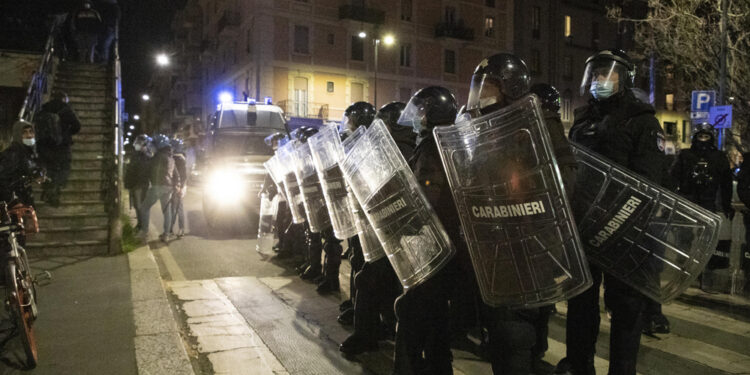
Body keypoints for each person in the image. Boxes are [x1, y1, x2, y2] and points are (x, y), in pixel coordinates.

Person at [558, 49, 667, 375]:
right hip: (586, 228)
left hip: (625, 230)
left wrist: (625, 219)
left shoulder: (642, 122)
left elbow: (649, 181)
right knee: (580, 306)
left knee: (625, 308)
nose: (599, 81)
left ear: (624, 79)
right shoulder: (583, 120)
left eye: (608, 75)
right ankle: (580, 366)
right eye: (595, 75)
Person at [392, 86, 460, 375]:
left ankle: (410, 369)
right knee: (434, 314)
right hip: (437, 242)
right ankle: (437, 366)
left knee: (414, 310)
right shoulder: (431, 142)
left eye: (422, 109)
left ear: (434, 113)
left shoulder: (432, 147)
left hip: (431, 242)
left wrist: (405, 219)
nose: (416, 115)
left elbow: (427, 194)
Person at [339, 102, 409, 355]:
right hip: (386, 229)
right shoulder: (391, 147)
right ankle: (383, 327)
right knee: (382, 283)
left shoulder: (397, 149)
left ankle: (368, 335)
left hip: (392, 229)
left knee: (369, 280)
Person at [529, 82, 577, 367]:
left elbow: (564, 181)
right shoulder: (543, 129)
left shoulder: (547, 129)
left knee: (538, 298)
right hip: (541, 227)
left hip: (542, 225)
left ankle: (536, 352)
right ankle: (536, 350)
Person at [337, 101, 377, 324]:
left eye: (350, 121)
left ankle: (365, 317)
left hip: (366, 217)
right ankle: (355, 304)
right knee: (355, 259)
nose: (347, 125)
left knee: (363, 265)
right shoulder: (352, 145)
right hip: (356, 213)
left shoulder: (368, 148)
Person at [35, 91, 81, 207]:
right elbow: (77, 126)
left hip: (44, 145)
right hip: (62, 145)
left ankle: (48, 189)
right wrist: (66, 133)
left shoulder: (43, 109)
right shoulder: (66, 109)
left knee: (48, 168)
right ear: (64, 99)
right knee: (64, 167)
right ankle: (55, 189)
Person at [139, 134, 176, 242]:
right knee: (166, 210)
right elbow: (175, 173)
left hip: (158, 185)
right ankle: (166, 234)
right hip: (169, 187)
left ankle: (144, 232)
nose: (152, 146)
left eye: (154, 144)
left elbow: (149, 170)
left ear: (159, 145)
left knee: (144, 208)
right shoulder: (170, 157)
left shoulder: (158, 157)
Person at [0, 120, 40, 207]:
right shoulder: (13, 153)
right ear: (18, 134)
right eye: (24, 132)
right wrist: (12, 201)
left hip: (24, 198)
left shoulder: (26, 151)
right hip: (15, 203)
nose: (29, 136)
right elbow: (2, 179)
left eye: (31, 132)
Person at [125, 134, 152, 231]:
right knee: (137, 206)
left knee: (141, 207)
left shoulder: (147, 157)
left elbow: (143, 172)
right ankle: (140, 225)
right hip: (134, 184)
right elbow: (130, 169)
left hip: (141, 184)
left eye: (139, 143)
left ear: (145, 145)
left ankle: (143, 228)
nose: (137, 145)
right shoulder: (135, 155)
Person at [170, 138, 187, 238]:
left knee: (175, 208)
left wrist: (179, 186)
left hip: (176, 186)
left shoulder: (176, 159)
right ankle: (179, 229)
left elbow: (181, 175)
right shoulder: (182, 158)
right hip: (180, 186)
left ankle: (174, 229)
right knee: (178, 208)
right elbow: (184, 175)